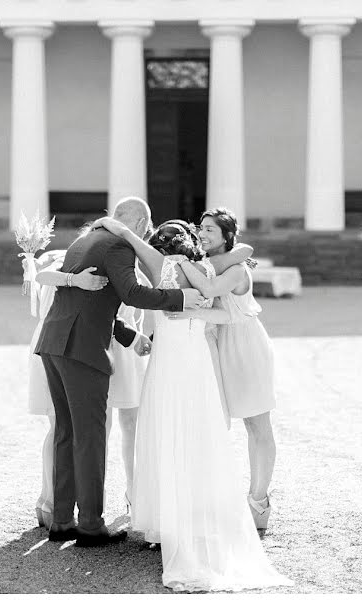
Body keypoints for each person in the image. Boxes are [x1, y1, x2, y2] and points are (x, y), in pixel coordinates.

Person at [93, 217, 292, 592]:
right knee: (181, 429)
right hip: (176, 357)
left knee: (184, 430)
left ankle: (193, 514)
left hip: (191, 357)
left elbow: (223, 309)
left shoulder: (195, 268)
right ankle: (171, 516)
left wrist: (111, 226)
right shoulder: (194, 266)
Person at [34, 197, 205, 547]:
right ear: (140, 224)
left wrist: (129, 336)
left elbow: (92, 303)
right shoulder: (118, 246)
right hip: (81, 351)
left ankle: (63, 520)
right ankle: (92, 526)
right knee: (91, 437)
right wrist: (179, 299)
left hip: (54, 344)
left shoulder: (85, 241)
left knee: (66, 433)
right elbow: (132, 293)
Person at [178, 208, 279, 532]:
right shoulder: (210, 263)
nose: (203, 233)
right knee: (217, 422)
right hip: (219, 345)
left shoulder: (235, 269)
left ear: (226, 237)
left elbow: (208, 290)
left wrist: (180, 263)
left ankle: (259, 500)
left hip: (246, 346)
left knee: (256, 422)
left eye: (210, 229)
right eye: (201, 228)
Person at [21, 250, 109, 529]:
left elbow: (41, 281)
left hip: (50, 343)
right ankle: (55, 504)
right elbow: (45, 278)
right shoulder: (70, 271)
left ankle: (50, 503)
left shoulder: (62, 269)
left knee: (59, 427)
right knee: (65, 428)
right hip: (63, 346)